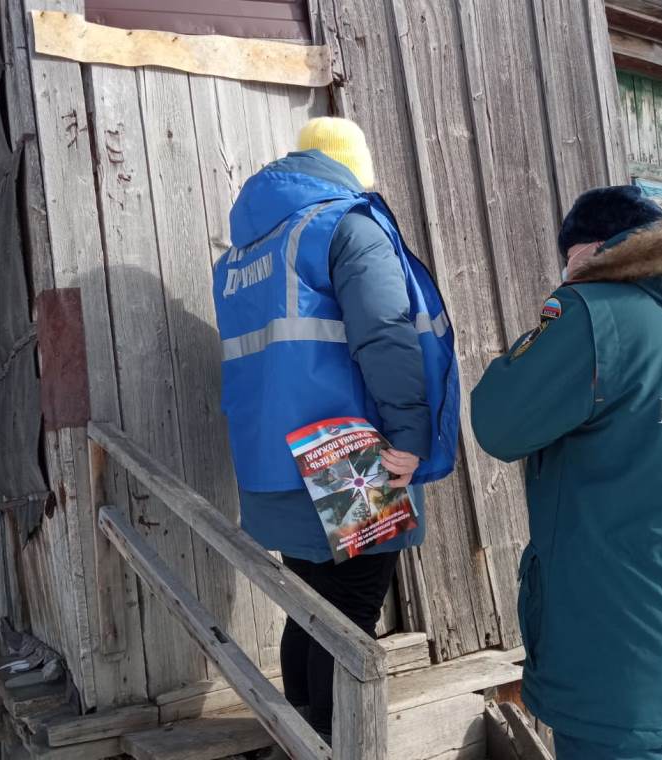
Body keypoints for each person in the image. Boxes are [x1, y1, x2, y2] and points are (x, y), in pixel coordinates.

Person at [471, 186, 662, 760]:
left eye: (569, 258)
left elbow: (497, 422)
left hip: (614, 652)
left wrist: (561, 313)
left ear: (594, 249)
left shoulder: (594, 312)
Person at [211, 117, 458, 745]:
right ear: (354, 168)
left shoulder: (245, 250)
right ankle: (337, 746)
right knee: (348, 618)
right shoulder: (347, 225)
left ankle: (302, 741)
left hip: (275, 459)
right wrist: (410, 437)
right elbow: (387, 336)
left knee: (310, 612)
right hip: (347, 457)